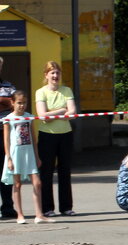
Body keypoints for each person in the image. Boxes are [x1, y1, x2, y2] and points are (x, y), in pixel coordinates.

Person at [2, 90, 50, 224]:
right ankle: (20, 215)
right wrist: (9, 158)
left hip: (29, 154)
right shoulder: (8, 119)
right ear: (12, 103)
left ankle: (39, 214)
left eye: (24, 103)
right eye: (19, 103)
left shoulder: (29, 117)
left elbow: (33, 139)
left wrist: (37, 156)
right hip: (15, 154)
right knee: (17, 184)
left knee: (37, 182)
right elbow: (6, 140)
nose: (22, 106)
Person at [35, 61, 75, 218]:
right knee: (46, 172)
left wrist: (53, 114)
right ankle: (47, 208)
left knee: (65, 171)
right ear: (46, 75)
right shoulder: (41, 92)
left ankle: (66, 207)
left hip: (65, 135)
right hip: (47, 136)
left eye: (57, 72)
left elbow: (72, 112)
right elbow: (43, 116)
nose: (55, 75)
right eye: (52, 72)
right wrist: (61, 110)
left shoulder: (66, 90)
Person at [0, 56, 16, 218]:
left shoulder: (8, 85)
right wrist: (4, 102)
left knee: (5, 171)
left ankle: (7, 207)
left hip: (5, 133)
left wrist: (6, 103)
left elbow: (16, 104)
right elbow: (8, 104)